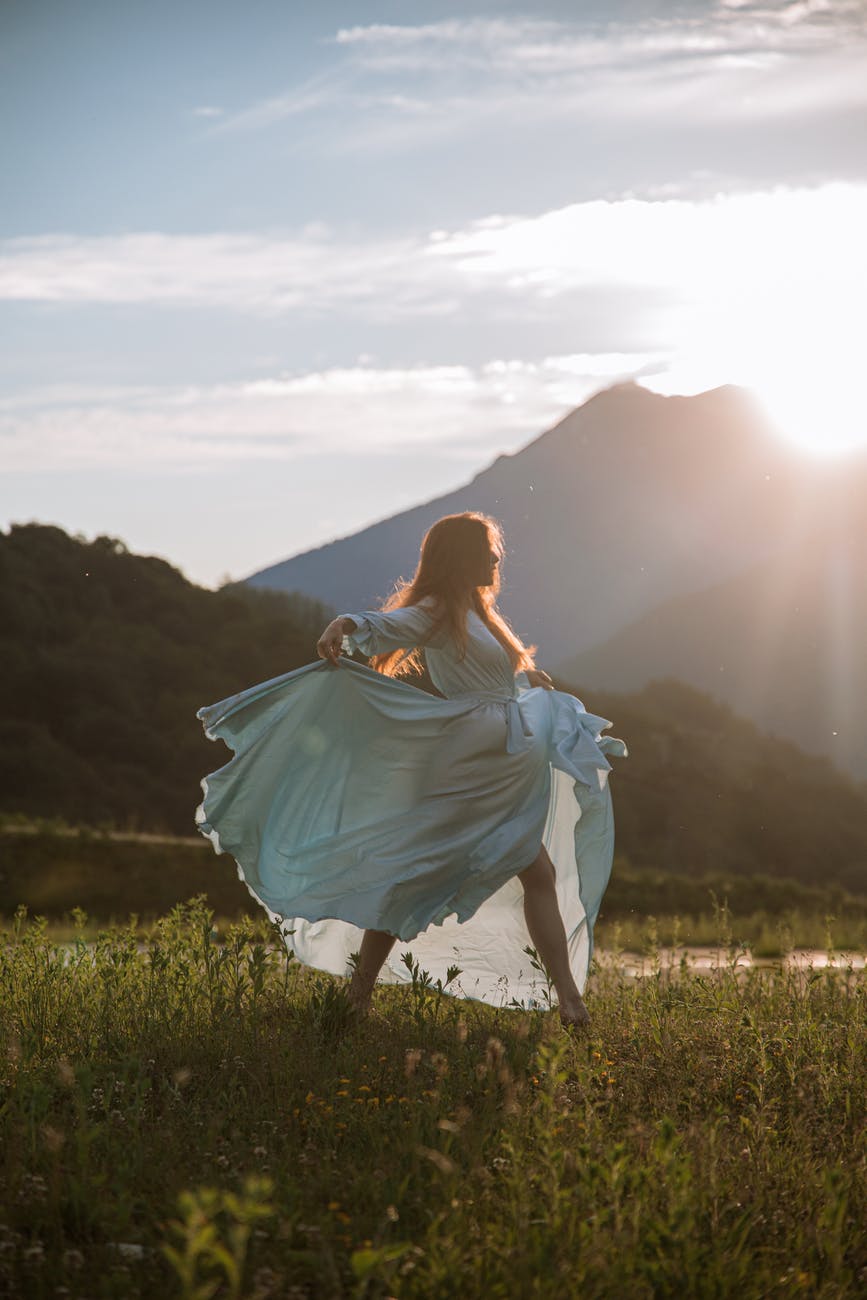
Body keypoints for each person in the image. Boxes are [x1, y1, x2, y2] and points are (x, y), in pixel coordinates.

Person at [196, 511, 626, 1027]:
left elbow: (492, 676)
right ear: (460, 556)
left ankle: (567, 1001)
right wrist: (348, 624)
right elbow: (394, 626)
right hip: (470, 767)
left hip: (500, 765)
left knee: (528, 871)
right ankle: (364, 996)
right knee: (422, 873)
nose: (497, 557)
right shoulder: (440, 609)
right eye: (488, 549)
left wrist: (527, 679)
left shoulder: (478, 612)